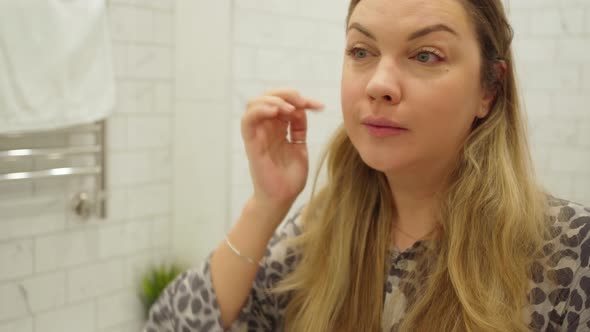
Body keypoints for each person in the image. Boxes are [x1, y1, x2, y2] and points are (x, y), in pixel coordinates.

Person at [143, 0, 590, 331]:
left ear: (488, 90)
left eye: (426, 55)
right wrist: (266, 204)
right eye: (361, 51)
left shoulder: (568, 252)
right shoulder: (317, 235)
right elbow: (167, 325)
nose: (378, 84)